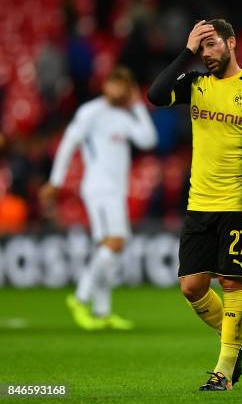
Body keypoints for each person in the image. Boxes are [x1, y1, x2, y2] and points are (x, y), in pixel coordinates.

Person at [147, 19, 242, 391]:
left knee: (233, 282)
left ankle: (223, 371)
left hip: (239, 204)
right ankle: (236, 338)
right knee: (191, 286)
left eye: (212, 45)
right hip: (199, 203)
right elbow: (155, 95)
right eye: (201, 48)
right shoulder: (195, 84)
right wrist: (185, 52)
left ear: (231, 43)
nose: (206, 54)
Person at [40, 67, 158, 330]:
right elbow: (69, 143)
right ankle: (80, 297)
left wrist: (138, 105)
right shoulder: (91, 112)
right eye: (114, 84)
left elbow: (149, 140)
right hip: (99, 187)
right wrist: (56, 181)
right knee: (116, 242)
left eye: (124, 87)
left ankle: (102, 311)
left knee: (108, 248)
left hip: (116, 189)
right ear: (105, 85)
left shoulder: (124, 116)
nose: (118, 90)